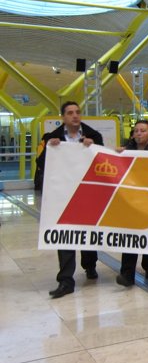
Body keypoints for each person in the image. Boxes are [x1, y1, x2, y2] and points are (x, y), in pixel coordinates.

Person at [37, 101, 103, 299]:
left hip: (87, 194)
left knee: (88, 234)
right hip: (63, 196)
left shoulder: (93, 136)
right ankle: (65, 280)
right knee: (65, 235)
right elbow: (40, 163)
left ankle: (89, 265)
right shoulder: (52, 137)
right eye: (70, 113)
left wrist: (94, 148)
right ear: (63, 117)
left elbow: (104, 161)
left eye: (77, 112)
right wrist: (50, 149)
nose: (75, 116)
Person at [115, 120, 148, 287]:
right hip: (131, 202)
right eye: (136, 131)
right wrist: (118, 155)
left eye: (143, 130)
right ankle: (127, 274)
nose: (139, 133)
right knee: (130, 238)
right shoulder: (125, 152)